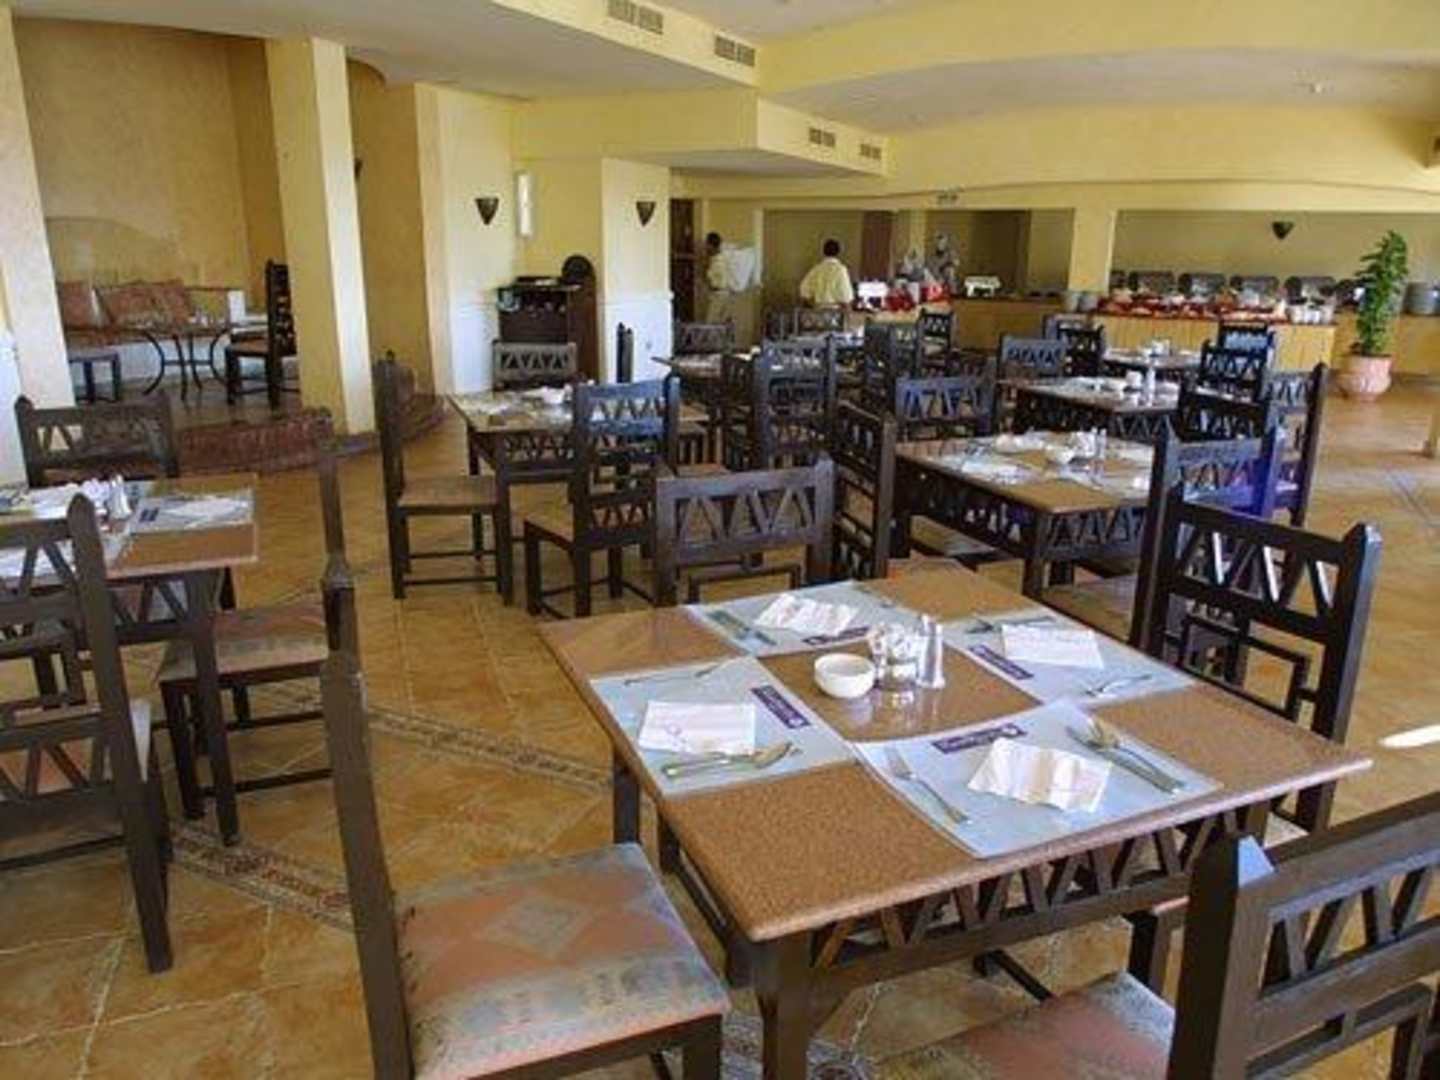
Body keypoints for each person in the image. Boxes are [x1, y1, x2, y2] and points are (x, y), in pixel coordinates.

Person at [704, 232, 755, 325]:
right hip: (724, 295)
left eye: (706, 245)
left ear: (710, 245)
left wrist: (711, 283)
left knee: (711, 323)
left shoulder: (720, 261)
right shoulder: (717, 259)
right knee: (720, 323)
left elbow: (720, 281)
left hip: (720, 295)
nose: (705, 248)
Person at [798, 239, 855, 308]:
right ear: (838, 252)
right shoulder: (840, 270)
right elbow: (846, 296)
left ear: (823, 252)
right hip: (834, 311)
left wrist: (813, 304)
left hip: (818, 310)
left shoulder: (816, 269)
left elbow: (803, 289)